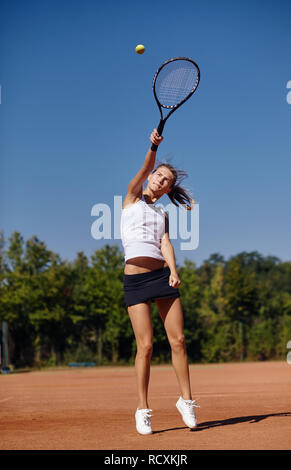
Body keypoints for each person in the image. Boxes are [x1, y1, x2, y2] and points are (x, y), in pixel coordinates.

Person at [120, 129, 199, 435]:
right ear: (151, 176)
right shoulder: (131, 197)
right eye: (158, 176)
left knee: (178, 341)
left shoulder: (162, 212)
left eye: (166, 181)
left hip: (161, 277)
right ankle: (142, 408)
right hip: (135, 283)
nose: (160, 180)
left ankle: (187, 400)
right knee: (147, 346)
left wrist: (174, 271)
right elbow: (142, 169)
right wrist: (152, 147)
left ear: (167, 190)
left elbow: (165, 243)